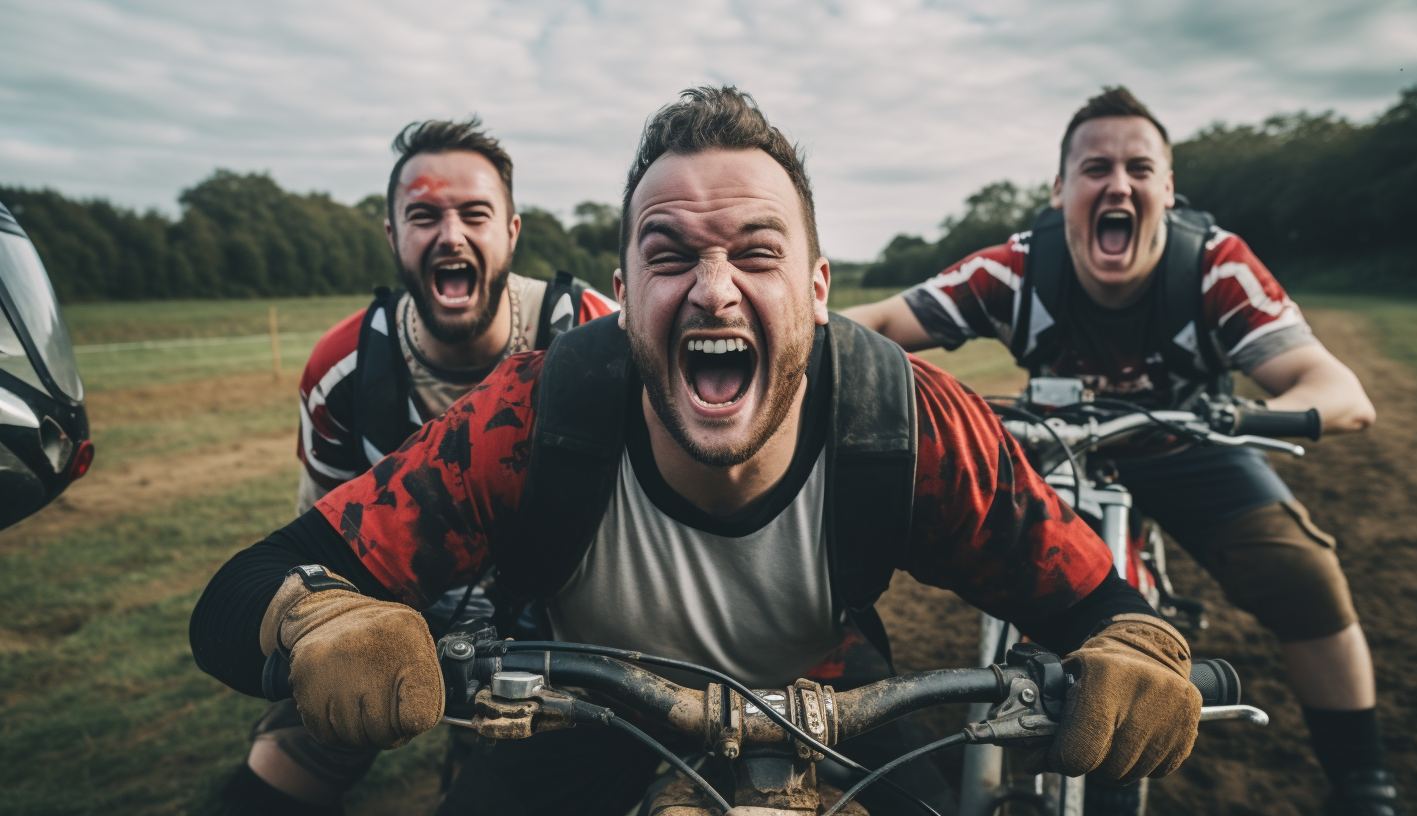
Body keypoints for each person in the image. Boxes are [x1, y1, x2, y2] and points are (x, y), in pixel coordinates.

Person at [192, 87, 1204, 816]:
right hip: (583, 708)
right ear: (623, 294)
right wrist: (319, 621)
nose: (714, 290)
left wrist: (1136, 647)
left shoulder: (905, 421)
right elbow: (250, 585)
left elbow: (1091, 601)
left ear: (815, 290)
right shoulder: (534, 414)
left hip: (831, 696)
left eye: (756, 253)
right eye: (669, 253)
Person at [843, 87, 1399, 816]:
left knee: (1303, 575)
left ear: (1168, 189)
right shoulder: (1018, 268)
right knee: (1020, 569)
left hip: (1189, 442)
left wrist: (1253, 414)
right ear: (1060, 191)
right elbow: (878, 322)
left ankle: (1363, 783)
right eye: (1095, 167)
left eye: (1141, 168)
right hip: (1054, 445)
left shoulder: (1216, 267)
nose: (1118, 184)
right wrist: (796, 338)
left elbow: (1335, 386)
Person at [217, 117, 617, 816]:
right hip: (400, 623)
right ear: (393, 237)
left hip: (570, 637)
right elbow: (319, 550)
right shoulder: (344, 370)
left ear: (512, 233)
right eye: (424, 215)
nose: (451, 235)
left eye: (474, 213)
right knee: (266, 788)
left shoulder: (595, 336)